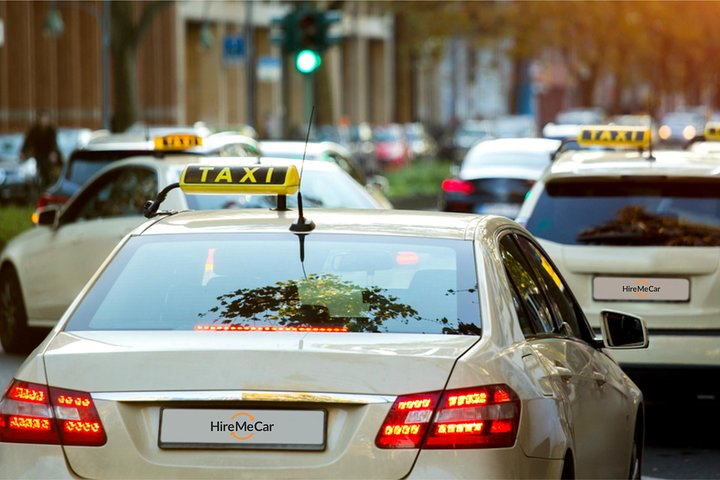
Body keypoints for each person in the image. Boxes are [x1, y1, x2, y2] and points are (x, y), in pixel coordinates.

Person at [20, 109, 61, 189]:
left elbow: (54, 144)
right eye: (42, 118)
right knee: (38, 168)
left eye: (46, 118)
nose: (44, 120)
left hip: (48, 154)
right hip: (38, 154)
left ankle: (51, 183)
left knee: (52, 168)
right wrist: (23, 152)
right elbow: (28, 142)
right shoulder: (34, 130)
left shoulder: (51, 130)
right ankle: (39, 185)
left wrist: (54, 153)